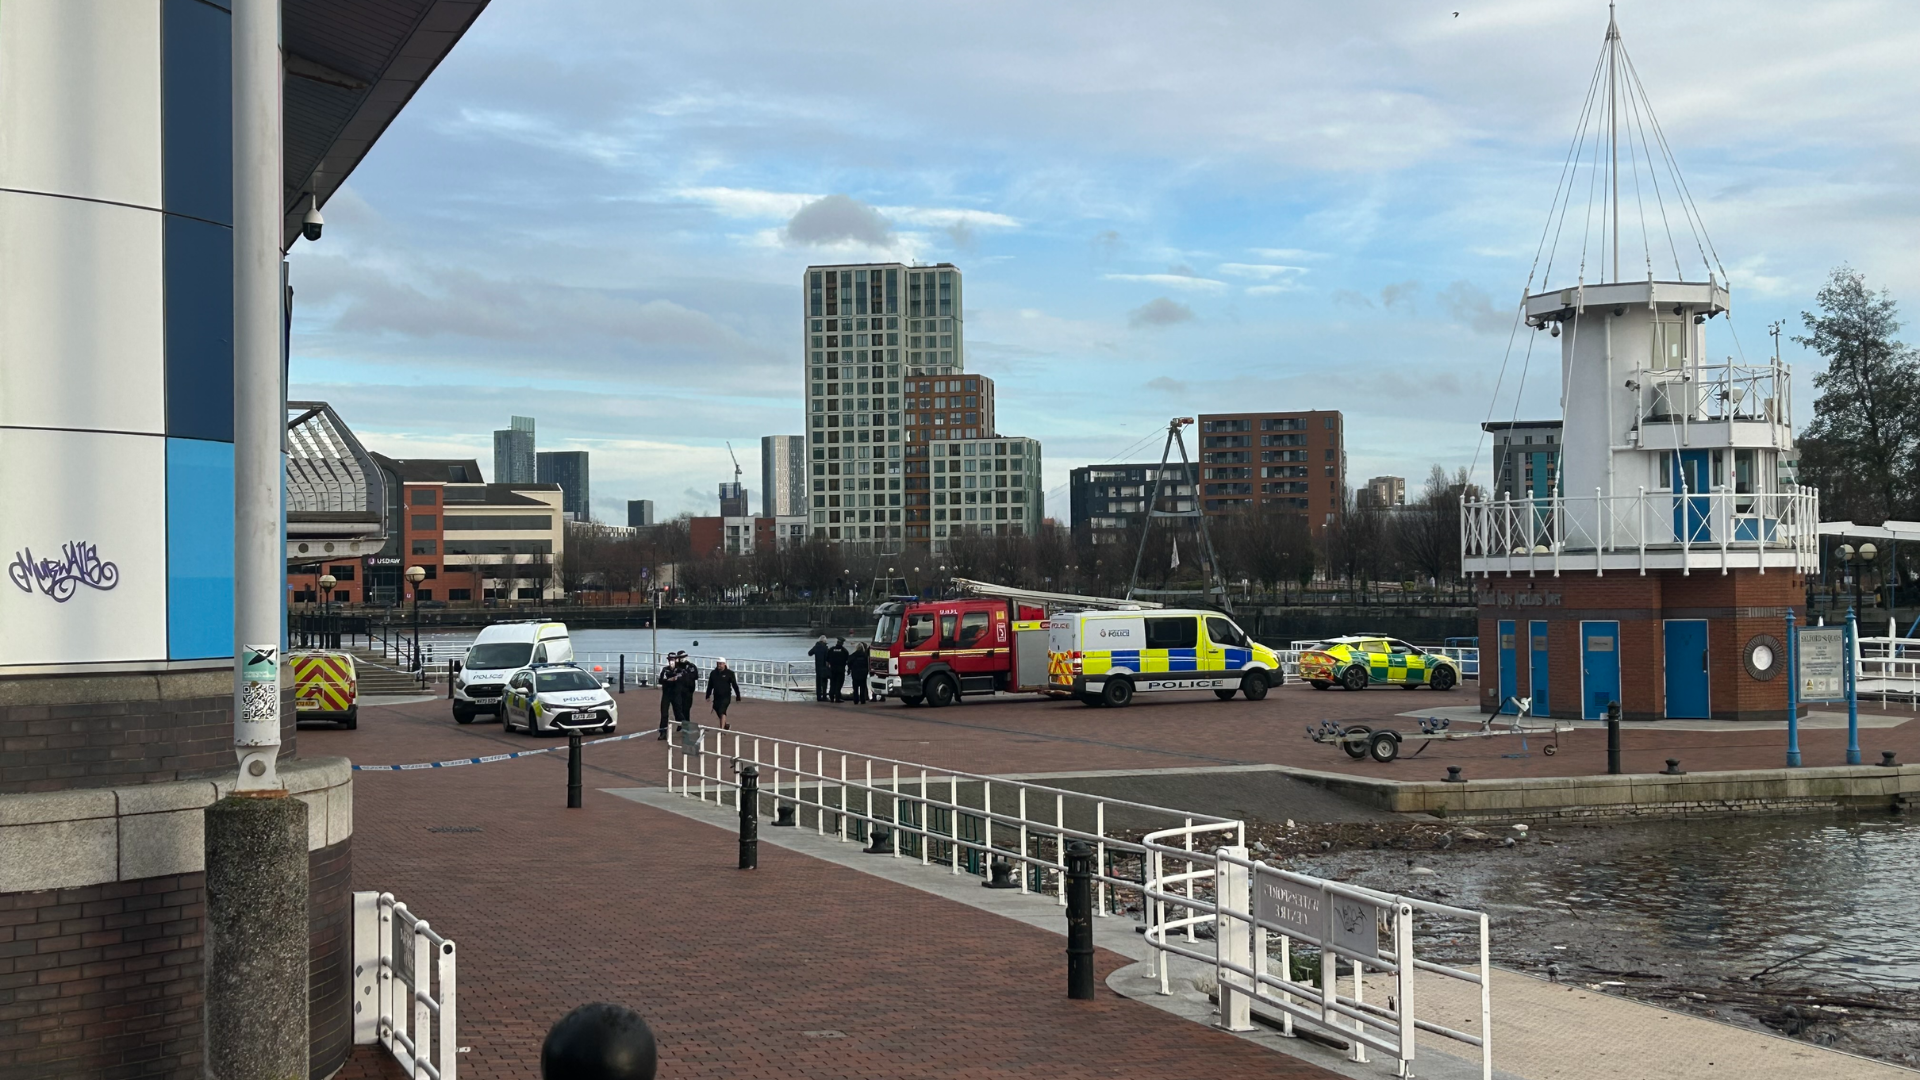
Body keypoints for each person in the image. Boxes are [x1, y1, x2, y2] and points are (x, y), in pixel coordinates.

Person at [706, 658, 742, 730]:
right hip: (716, 696)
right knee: (717, 709)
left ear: (724, 664)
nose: (719, 665)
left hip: (726, 696)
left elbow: (734, 685)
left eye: (720, 663)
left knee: (722, 711)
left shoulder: (730, 673)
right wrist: (708, 695)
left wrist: (738, 696)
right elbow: (710, 685)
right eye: (717, 663)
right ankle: (725, 725)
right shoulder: (713, 673)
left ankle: (721, 730)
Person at [656, 651, 680, 740]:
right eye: (670, 660)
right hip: (666, 694)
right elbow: (660, 680)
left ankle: (684, 728)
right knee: (664, 713)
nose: (671, 661)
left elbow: (681, 679)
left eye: (673, 660)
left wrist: (675, 679)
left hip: (676, 694)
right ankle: (663, 732)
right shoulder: (665, 670)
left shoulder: (679, 670)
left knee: (678, 712)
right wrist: (669, 680)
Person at [826, 637, 850, 702]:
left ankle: (831, 697)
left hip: (832, 670)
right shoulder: (844, 651)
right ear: (842, 643)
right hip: (841, 670)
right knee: (839, 684)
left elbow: (827, 661)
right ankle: (837, 698)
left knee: (832, 683)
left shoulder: (831, 650)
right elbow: (848, 661)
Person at [808, 636, 831, 701]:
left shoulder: (816, 647)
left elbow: (809, 653)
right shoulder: (825, 648)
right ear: (824, 641)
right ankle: (824, 696)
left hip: (818, 667)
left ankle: (818, 696)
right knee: (824, 682)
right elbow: (828, 657)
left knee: (818, 682)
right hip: (824, 667)